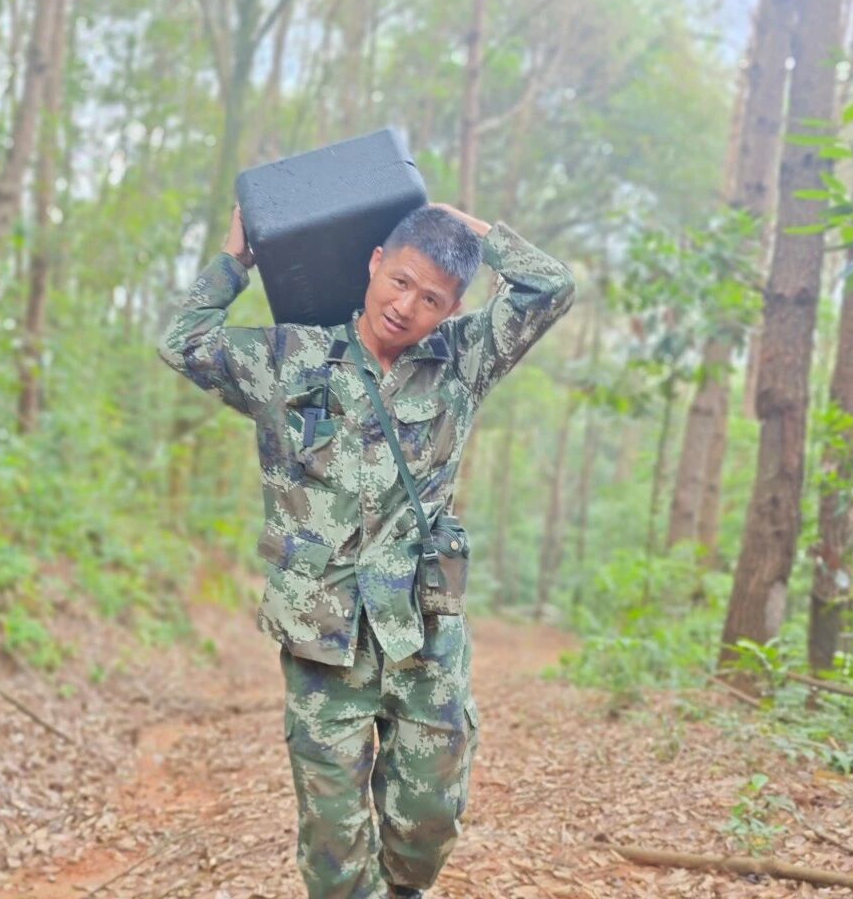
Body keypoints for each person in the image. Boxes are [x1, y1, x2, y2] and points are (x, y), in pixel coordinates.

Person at [158, 200, 575, 898]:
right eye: (400, 280)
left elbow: (552, 286)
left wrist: (470, 228)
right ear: (375, 263)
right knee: (334, 842)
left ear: (452, 308)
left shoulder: (463, 360)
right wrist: (236, 261)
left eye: (431, 298)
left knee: (429, 817)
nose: (405, 306)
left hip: (424, 636)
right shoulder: (289, 358)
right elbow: (183, 341)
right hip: (323, 639)